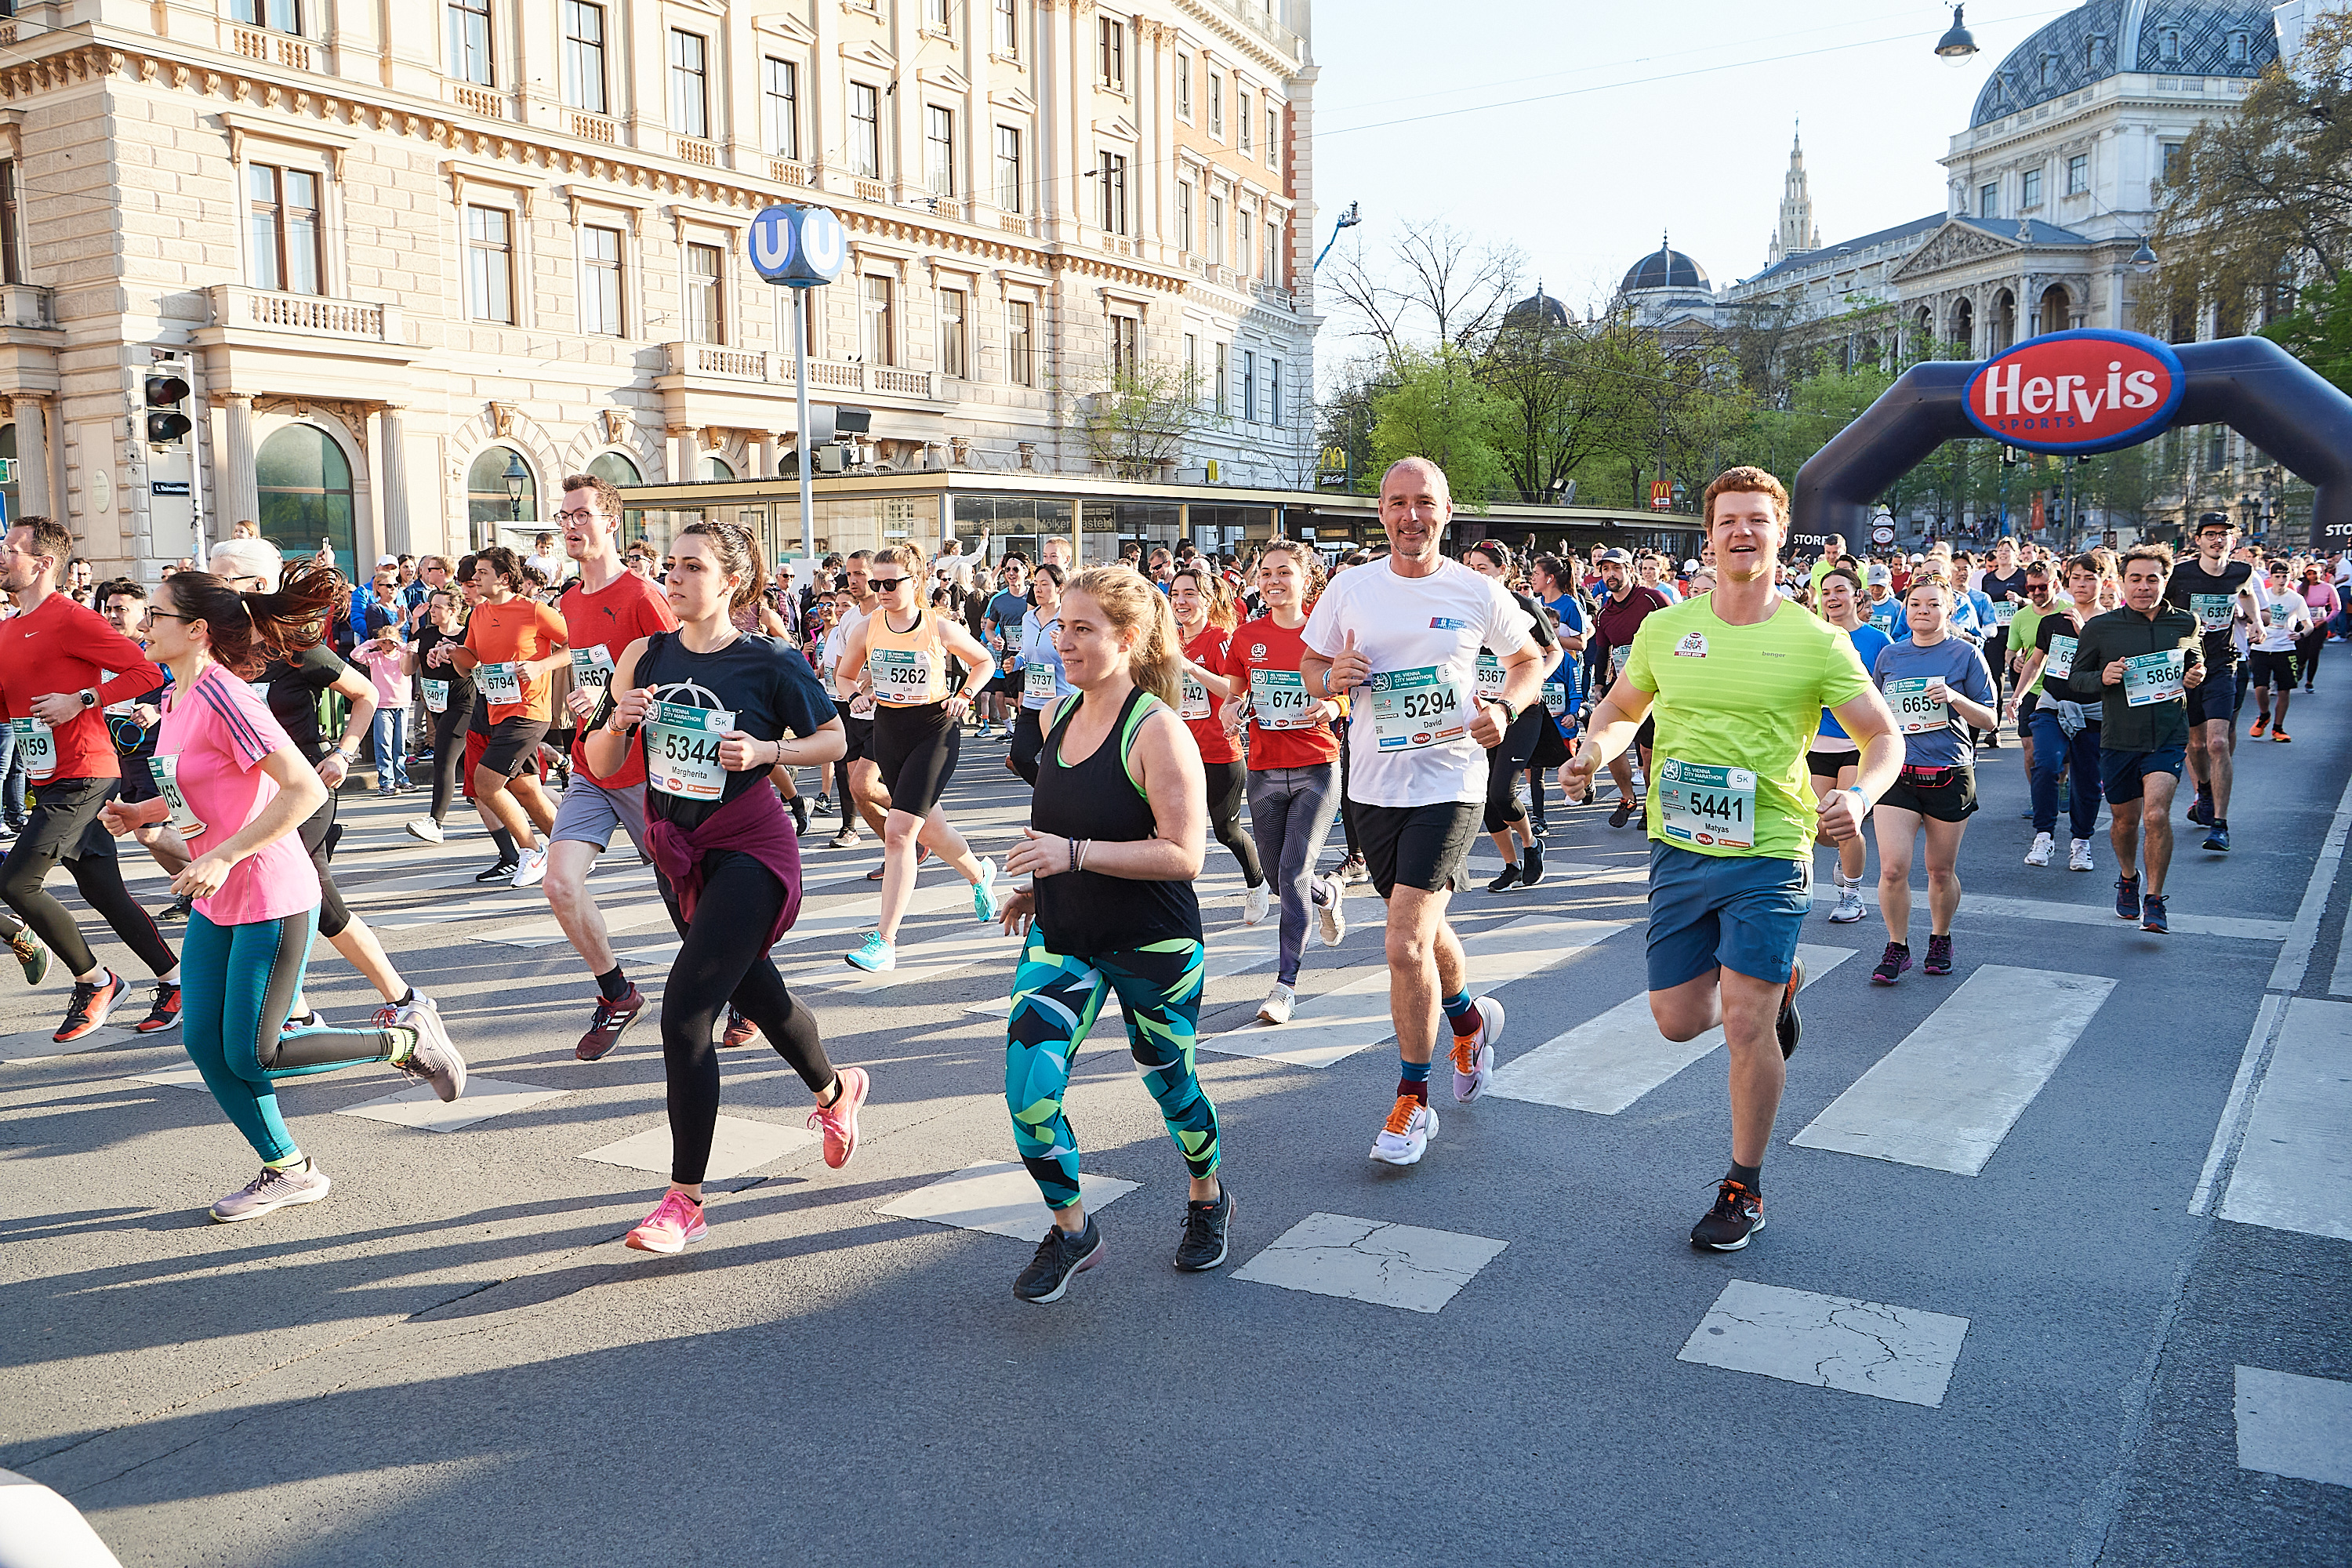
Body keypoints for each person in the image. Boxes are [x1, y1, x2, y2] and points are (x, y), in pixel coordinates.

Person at [1562, 467, 1901, 1250]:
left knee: (1746, 1022)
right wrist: (1594, 751)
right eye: (1727, 521)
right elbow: (1621, 708)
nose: (1741, 532)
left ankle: (1743, 1185)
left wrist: (1861, 797)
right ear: (1709, 537)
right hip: (1680, 845)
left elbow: (1883, 735)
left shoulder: (1817, 639)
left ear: (1781, 535)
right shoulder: (1665, 629)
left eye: (1757, 520)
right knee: (1679, 1021)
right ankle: (1779, 980)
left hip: (1771, 850)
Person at [100, 563, 463, 1221]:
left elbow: (304, 789)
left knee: (255, 1051)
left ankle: (407, 1042)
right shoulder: (177, 696)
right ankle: (288, 1169)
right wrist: (142, 812)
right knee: (203, 1043)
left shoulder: (225, 697)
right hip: (218, 895)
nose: (144, 625)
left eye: (156, 615)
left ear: (197, 630)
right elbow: (203, 787)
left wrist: (226, 854)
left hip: (269, 889)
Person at [584, 521, 864, 1255]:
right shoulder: (645, 656)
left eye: (692, 567)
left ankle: (685, 1201)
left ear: (731, 581)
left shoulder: (770, 661)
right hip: (678, 852)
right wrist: (618, 721)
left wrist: (769, 749)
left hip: (750, 849)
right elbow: (602, 759)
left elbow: (834, 739)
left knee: (687, 1011)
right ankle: (836, 1091)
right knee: (760, 993)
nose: (673, 578)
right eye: (671, 565)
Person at [994, 566, 1230, 1304]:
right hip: (1064, 934)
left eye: (1083, 629)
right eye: (1060, 627)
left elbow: (1183, 855)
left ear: (1127, 640)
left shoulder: (1158, 730)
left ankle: (1206, 1193)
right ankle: (1072, 1231)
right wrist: (1039, 884)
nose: (1064, 643)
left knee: (1170, 1081)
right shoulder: (1056, 717)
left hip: (1152, 942)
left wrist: (1072, 856)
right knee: (1029, 1087)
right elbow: (1073, 825)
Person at [1298, 459, 1541, 1164]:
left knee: (1403, 941)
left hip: (1451, 783)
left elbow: (1530, 660)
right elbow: (1311, 666)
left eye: (1425, 503)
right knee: (1424, 930)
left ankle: (1412, 1101)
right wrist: (1331, 677)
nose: (1412, 516)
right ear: (1381, 512)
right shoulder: (1350, 588)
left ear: (1447, 510)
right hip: (1374, 787)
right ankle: (1468, 1023)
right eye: (1399, 503)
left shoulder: (1476, 589)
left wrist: (1505, 706)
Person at [0, 517, 183, 1041]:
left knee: (16, 883)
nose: (1, 555)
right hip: (47, 775)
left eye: (11, 549)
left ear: (43, 563)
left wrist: (82, 699)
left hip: (86, 771)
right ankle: (175, 980)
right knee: (104, 891)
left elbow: (147, 673)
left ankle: (96, 980)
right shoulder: (8, 628)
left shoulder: (71, 618)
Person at [537, 474, 681, 1062]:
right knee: (559, 883)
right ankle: (618, 994)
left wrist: (615, 703)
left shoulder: (644, 595)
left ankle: (743, 990)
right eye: (565, 516)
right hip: (591, 766)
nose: (571, 526)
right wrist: (581, 712)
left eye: (582, 515)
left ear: (611, 522)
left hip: (649, 770)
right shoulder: (570, 599)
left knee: (687, 897)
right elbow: (588, 671)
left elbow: (685, 682)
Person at [833, 542, 1004, 971]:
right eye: (877, 584)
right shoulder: (867, 627)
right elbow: (844, 674)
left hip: (934, 731)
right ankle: (980, 874)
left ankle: (885, 941)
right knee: (932, 829)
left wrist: (966, 694)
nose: (882, 591)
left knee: (899, 832)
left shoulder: (937, 626)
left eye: (891, 584)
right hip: (889, 732)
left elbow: (984, 661)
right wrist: (854, 695)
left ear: (916, 582)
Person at [1227, 539, 1348, 1025]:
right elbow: (1236, 694)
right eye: (1266, 573)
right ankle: (1328, 895)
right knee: (1282, 879)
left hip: (1317, 766)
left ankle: (1285, 987)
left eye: (1284, 572)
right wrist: (1232, 710)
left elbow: (1351, 691)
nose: (1273, 581)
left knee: (1294, 873)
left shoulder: (1326, 633)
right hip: (1263, 770)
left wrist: (1333, 705)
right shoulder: (1245, 637)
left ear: (1305, 578)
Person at [1865, 579, 1998, 983]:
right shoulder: (1891, 655)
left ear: (1949, 610)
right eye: (1916, 604)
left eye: (1933, 604)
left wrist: (1954, 699)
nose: (1923, 610)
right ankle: (1897, 945)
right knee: (1892, 868)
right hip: (1898, 775)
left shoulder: (1966, 654)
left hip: (1948, 774)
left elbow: (1990, 719)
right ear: (1906, 609)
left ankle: (1941, 938)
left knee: (1940, 870)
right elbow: (1875, 713)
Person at [2074, 545, 2204, 935]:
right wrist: (2102, 678)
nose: (2144, 587)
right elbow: (2075, 679)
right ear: (2122, 582)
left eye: (2152, 579)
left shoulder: (2186, 622)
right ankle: (2129, 877)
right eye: (2136, 579)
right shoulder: (2101, 627)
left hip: (2167, 734)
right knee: (2125, 821)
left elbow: (2195, 660)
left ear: (2166, 581)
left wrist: (2196, 675)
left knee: (2156, 815)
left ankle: (2155, 899)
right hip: (2119, 738)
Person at [445, 546, 568, 887]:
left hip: (529, 711)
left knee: (485, 783)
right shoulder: (478, 614)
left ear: (504, 578)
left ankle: (533, 851)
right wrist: (452, 653)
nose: (475, 578)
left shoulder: (536, 611)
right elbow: (470, 662)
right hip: (498, 710)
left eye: (482, 572)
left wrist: (541, 666)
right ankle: (569, 853)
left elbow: (577, 645)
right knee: (526, 789)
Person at [1461, 543, 1563, 890]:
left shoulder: (1523, 607)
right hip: (1481, 711)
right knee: (1483, 795)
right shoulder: (1462, 608)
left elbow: (1554, 651)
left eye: (1483, 568)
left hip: (1521, 711)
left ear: (1503, 571)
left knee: (1501, 793)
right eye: (1470, 567)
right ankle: (1510, 864)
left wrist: (1536, 678)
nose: (1475, 574)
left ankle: (1532, 845)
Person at [1168, 564, 1269, 918]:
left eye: (1189, 594)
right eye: (1175, 594)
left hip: (1218, 751)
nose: (1181, 602)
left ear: (1208, 601)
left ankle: (1257, 883)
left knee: (1226, 830)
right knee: (1175, 830)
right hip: (1178, 752)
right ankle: (1176, 901)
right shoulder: (1171, 639)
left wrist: (1192, 668)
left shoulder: (1219, 638)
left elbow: (1234, 688)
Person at [2165, 514, 2259, 851]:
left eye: (2223, 534)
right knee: (2195, 744)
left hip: (2223, 663)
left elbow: (2246, 594)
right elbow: (2161, 609)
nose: (2217, 540)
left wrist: (2257, 622)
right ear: (2198, 539)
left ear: (2233, 540)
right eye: (2210, 534)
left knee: (2218, 742)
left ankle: (2220, 825)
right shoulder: (2180, 574)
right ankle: (2204, 790)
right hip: (2186, 665)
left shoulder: (2242, 571)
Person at [1807, 565, 1892, 923]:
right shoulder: (1811, 636)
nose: (1832, 598)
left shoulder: (1878, 641)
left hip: (1858, 743)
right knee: (1819, 829)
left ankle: (1852, 895)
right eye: (1826, 592)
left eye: (1840, 590)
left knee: (1845, 821)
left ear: (1858, 595)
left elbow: (1889, 693)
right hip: (1817, 744)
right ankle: (1845, 855)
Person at [2014, 556, 2107, 873]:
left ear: (2103, 582)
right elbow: (2035, 661)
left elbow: (2111, 665)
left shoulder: (2111, 624)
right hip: (2052, 704)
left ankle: (2081, 842)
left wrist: (2084, 632)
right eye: (2076, 578)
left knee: (2087, 779)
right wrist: (2018, 695)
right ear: (2067, 582)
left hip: (2092, 710)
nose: (2082, 584)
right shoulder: (2052, 621)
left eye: (2090, 578)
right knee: (2045, 763)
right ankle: (2044, 835)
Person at [1588, 548, 1671, 829]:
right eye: (1605, 569)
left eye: (1616, 568)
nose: (1610, 574)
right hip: (1622, 685)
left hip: (1655, 685)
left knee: (1648, 752)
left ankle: (1651, 805)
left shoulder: (1653, 599)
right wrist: (1599, 686)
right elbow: (1602, 652)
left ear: (1629, 570)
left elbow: (1676, 634)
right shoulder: (1604, 613)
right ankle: (1628, 797)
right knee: (1610, 741)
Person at [402, 581, 477, 845]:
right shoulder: (425, 633)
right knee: (469, 758)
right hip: (436, 704)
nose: (432, 611)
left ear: (453, 610)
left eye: (437, 607)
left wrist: (451, 653)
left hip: (463, 702)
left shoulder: (466, 636)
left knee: (443, 758)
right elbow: (408, 670)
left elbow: (470, 669)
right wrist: (409, 653)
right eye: (432, 606)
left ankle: (436, 822)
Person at [1008, 563, 1076, 786]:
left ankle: (1063, 797)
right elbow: (1027, 652)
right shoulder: (1028, 618)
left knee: (1059, 759)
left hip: (1061, 701)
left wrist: (1063, 648)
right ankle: (1048, 792)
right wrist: (1016, 662)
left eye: (1045, 584)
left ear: (1059, 588)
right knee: (1020, 757)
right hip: (1032, 701)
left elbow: (1082, 659)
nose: (1038, 589)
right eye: (1035, 584)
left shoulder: (1069, 620)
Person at [2246, 559, 2312, 742]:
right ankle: (2264, 715)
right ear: (2271, 577)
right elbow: (2250, 618)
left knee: (2284, 690)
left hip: (2285, 649)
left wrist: (2301, 634)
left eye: (2285, 576)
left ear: (2291, 577)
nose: (2282, 580)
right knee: (2260, 687)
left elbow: (2309, 625)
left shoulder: (2296, 598)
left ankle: (2278, 728)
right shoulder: (2263, 596)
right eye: (2278, 576)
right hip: (2261, 647)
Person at [350, 622, 413, 795]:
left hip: (402, 704)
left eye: (391, 643)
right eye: (384, 643)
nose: (387, 646)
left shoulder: (402, 655)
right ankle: (386, 782)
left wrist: (398, 643)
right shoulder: (375, 657)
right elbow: (355, 655)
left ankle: (401, 779)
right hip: (382, 706)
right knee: (383, 744)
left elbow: (411, 652)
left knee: (400, 745)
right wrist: (372, 643)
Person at [2298, 563, 2339, 691]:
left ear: (2321, 574)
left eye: (2315, 573)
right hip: (2304, 625)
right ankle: (2301, 667)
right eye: (2309, 574)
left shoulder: (2328, 588)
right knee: (2302, 653)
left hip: (2320, 625)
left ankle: (2309, 682)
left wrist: (2324, 620)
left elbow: (2337, 608)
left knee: (2314, 653)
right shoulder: (2301, 588)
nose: (2313, 576)